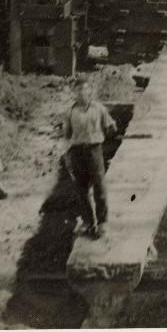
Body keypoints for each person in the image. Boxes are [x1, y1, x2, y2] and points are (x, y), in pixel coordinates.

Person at [63, 76, 117, 238]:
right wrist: (68, 155)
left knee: (99, 185)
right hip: (77, 151)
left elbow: (110, 127)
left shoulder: (99, 109)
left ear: (89, 91)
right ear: (74, 92)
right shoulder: (69, 111)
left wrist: (104, 136)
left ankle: (102, 222)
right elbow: (67, 135)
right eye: (79, 89)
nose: (82, 93)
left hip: (94, 150)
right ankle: (87, 221)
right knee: (81, 187)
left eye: (85, 89)